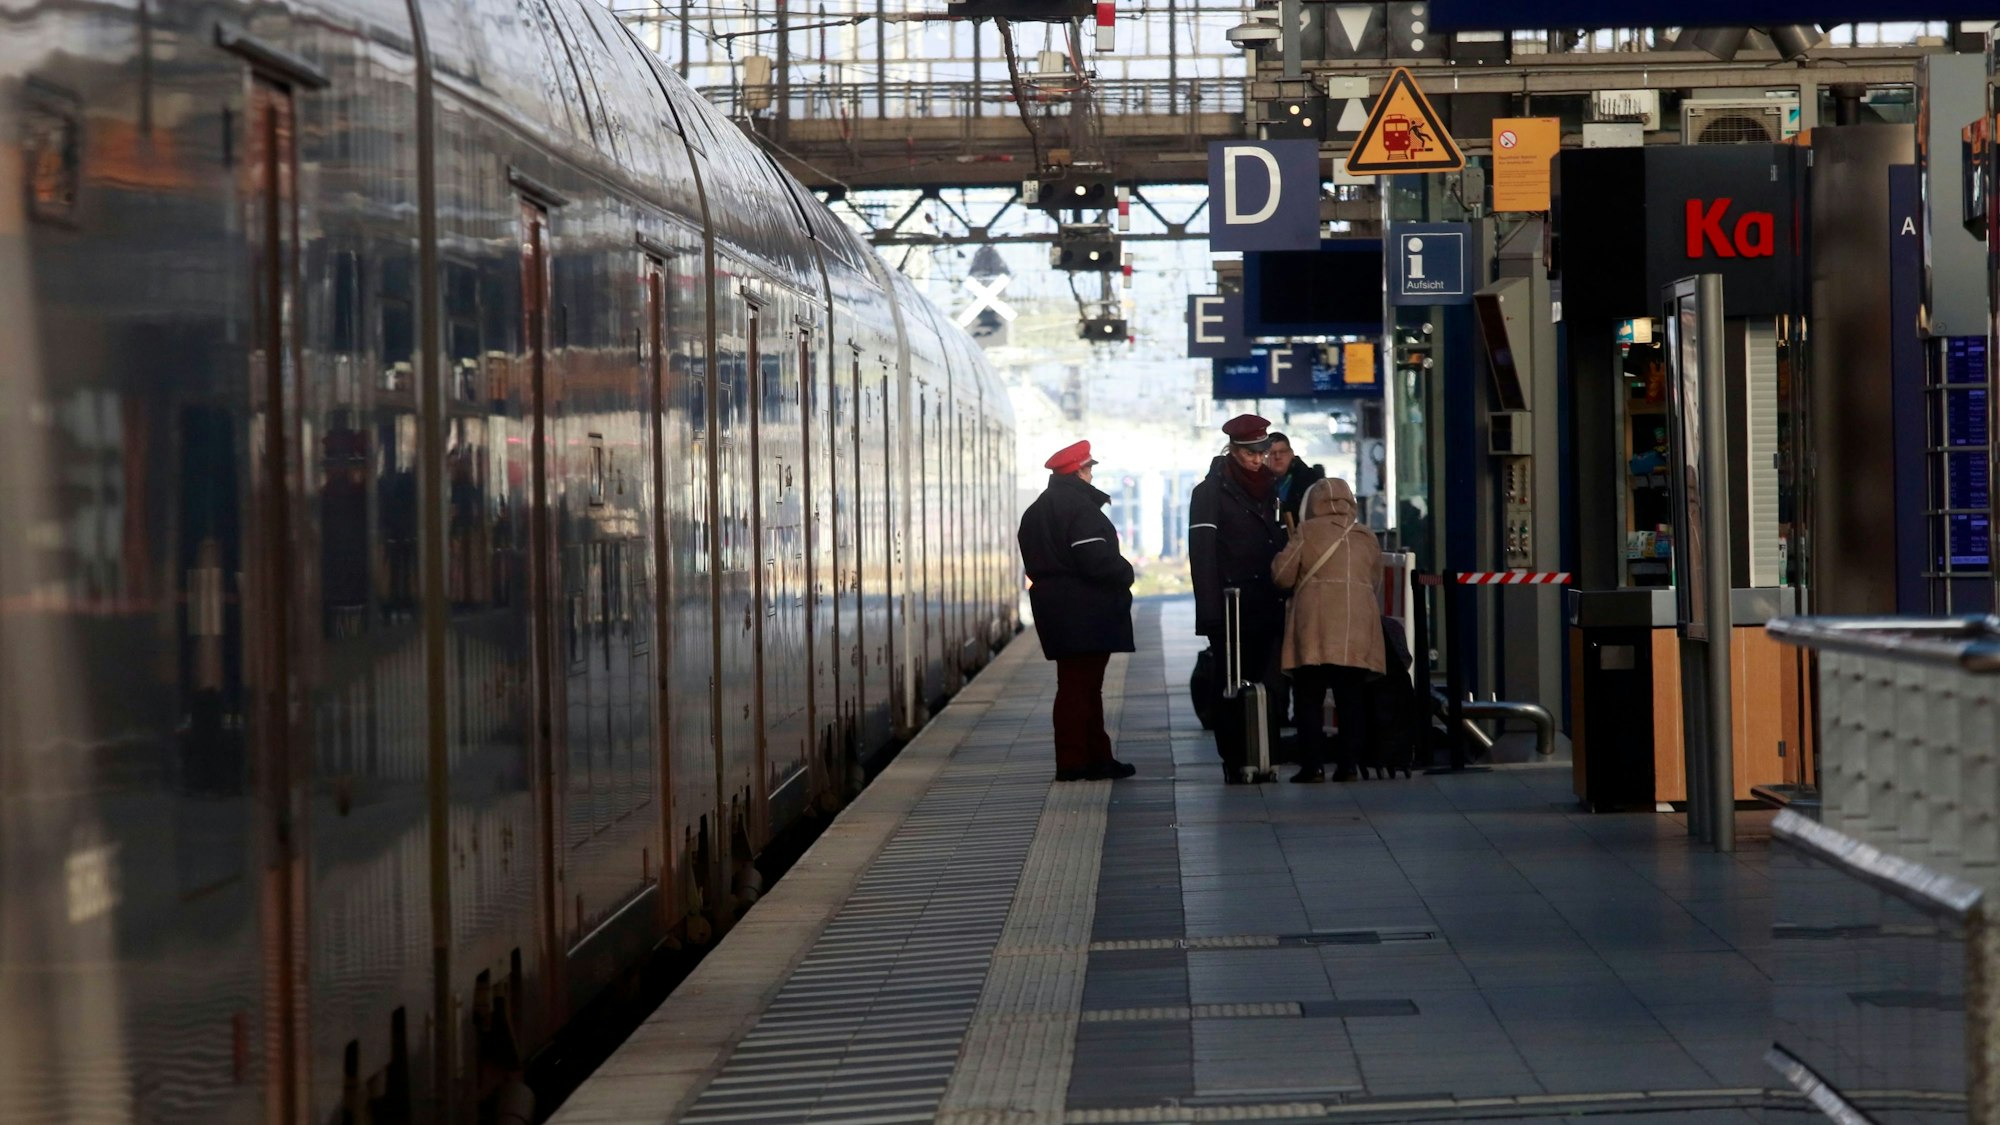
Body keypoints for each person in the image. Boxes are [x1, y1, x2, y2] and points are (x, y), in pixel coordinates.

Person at [1017, 439, 1138, 782]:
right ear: (1080, 471)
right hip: (1084, 610)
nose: (1091, 475)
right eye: (1089, 469)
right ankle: (1075, 762)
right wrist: (1125, 573)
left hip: (1056, 608)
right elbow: (1095, 559)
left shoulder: (1037, 510)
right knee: (1080, 687)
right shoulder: (1078, 508)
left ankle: (1095, 757)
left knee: (1078, 685)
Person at [1189, 414, 1288, 784]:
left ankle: (1264, 755)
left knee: (1271, 684)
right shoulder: (1209, 493)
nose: (1259, 459)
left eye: (1262, 452)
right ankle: (1235, 758)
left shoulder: (1270, 489)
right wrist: (1210, 613)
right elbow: (1202, 555)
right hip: (1232, 608)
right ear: (1233, 450)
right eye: (1251, 453)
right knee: (1230, 685)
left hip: (1268, 603)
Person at [1272, 478, 1385, 782]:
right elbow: (1374, 582)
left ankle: (1314, 766)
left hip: (1314, 630)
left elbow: (1282, 576)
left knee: (1309, 698)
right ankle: (1348, 767)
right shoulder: (1366, 536)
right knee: (1351, 699)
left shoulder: (1306, 531)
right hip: (1357, 627)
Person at [1267, 432, 1326, 529]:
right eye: (1272, 453)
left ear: (1292, 454)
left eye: (1282, 452)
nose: (1277, 457)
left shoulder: (1310, 480)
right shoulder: (1257, 483)